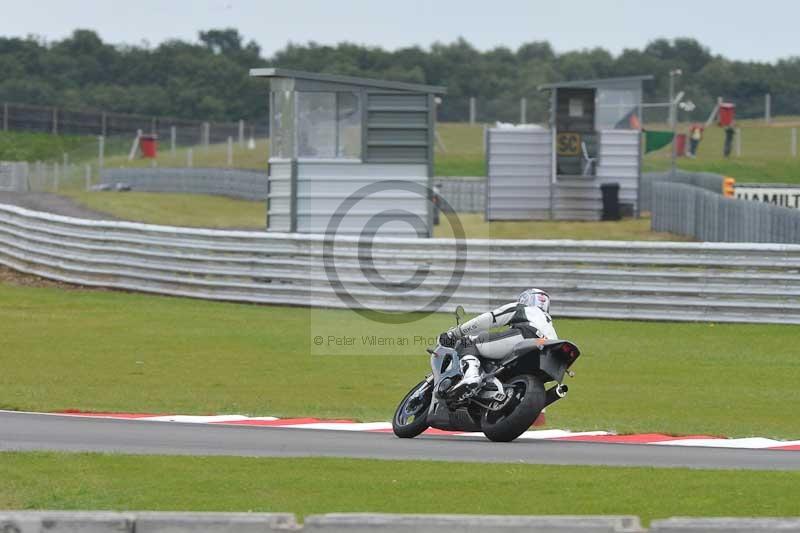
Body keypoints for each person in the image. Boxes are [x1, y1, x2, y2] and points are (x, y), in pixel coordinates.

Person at [438, 288, 557, 396]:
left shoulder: (522, 308)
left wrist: (454, 333)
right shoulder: (548, 324)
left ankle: (471, 375)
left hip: (528, 336)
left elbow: (487, 319)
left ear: (526, 299)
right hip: (549, 354)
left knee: (467, 342)